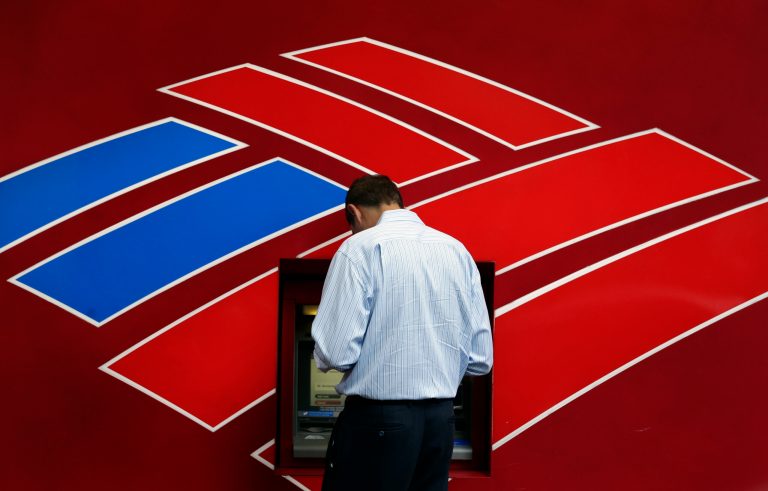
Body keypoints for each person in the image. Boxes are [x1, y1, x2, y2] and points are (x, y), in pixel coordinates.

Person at [311, 175, 493, 491]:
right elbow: (480, 359)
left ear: (354, 213)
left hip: (377, 420)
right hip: (440, 421)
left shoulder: (358, 248)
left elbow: (336, 353)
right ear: (397, 203)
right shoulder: (455, 250)